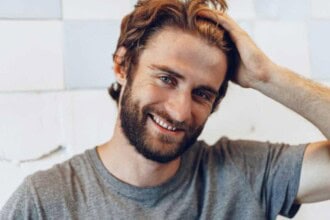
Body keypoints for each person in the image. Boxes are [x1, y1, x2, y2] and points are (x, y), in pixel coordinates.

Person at [1, 0, 330, 219]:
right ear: (122, 65)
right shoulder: (43, 202)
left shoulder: (244, 174)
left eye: (202, 94)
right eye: (166, 79)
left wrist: (267, 76)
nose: (180, 111)